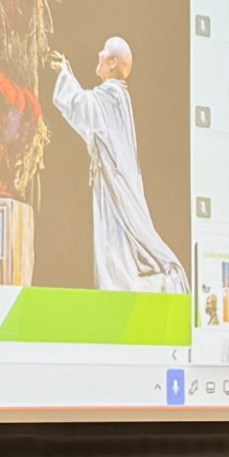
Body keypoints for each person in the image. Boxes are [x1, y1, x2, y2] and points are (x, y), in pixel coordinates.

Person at [46, 35, 185, 293]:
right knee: (115, 250)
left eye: (103, 51)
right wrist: (67, 72)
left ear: (112, 63)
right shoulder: (115, 96)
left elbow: (81, 107)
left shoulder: (112, 95)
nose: (98, 54)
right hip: (111, 183)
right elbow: (91, 120)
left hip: (115, 187)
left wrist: (64, 73)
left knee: (118, 256)